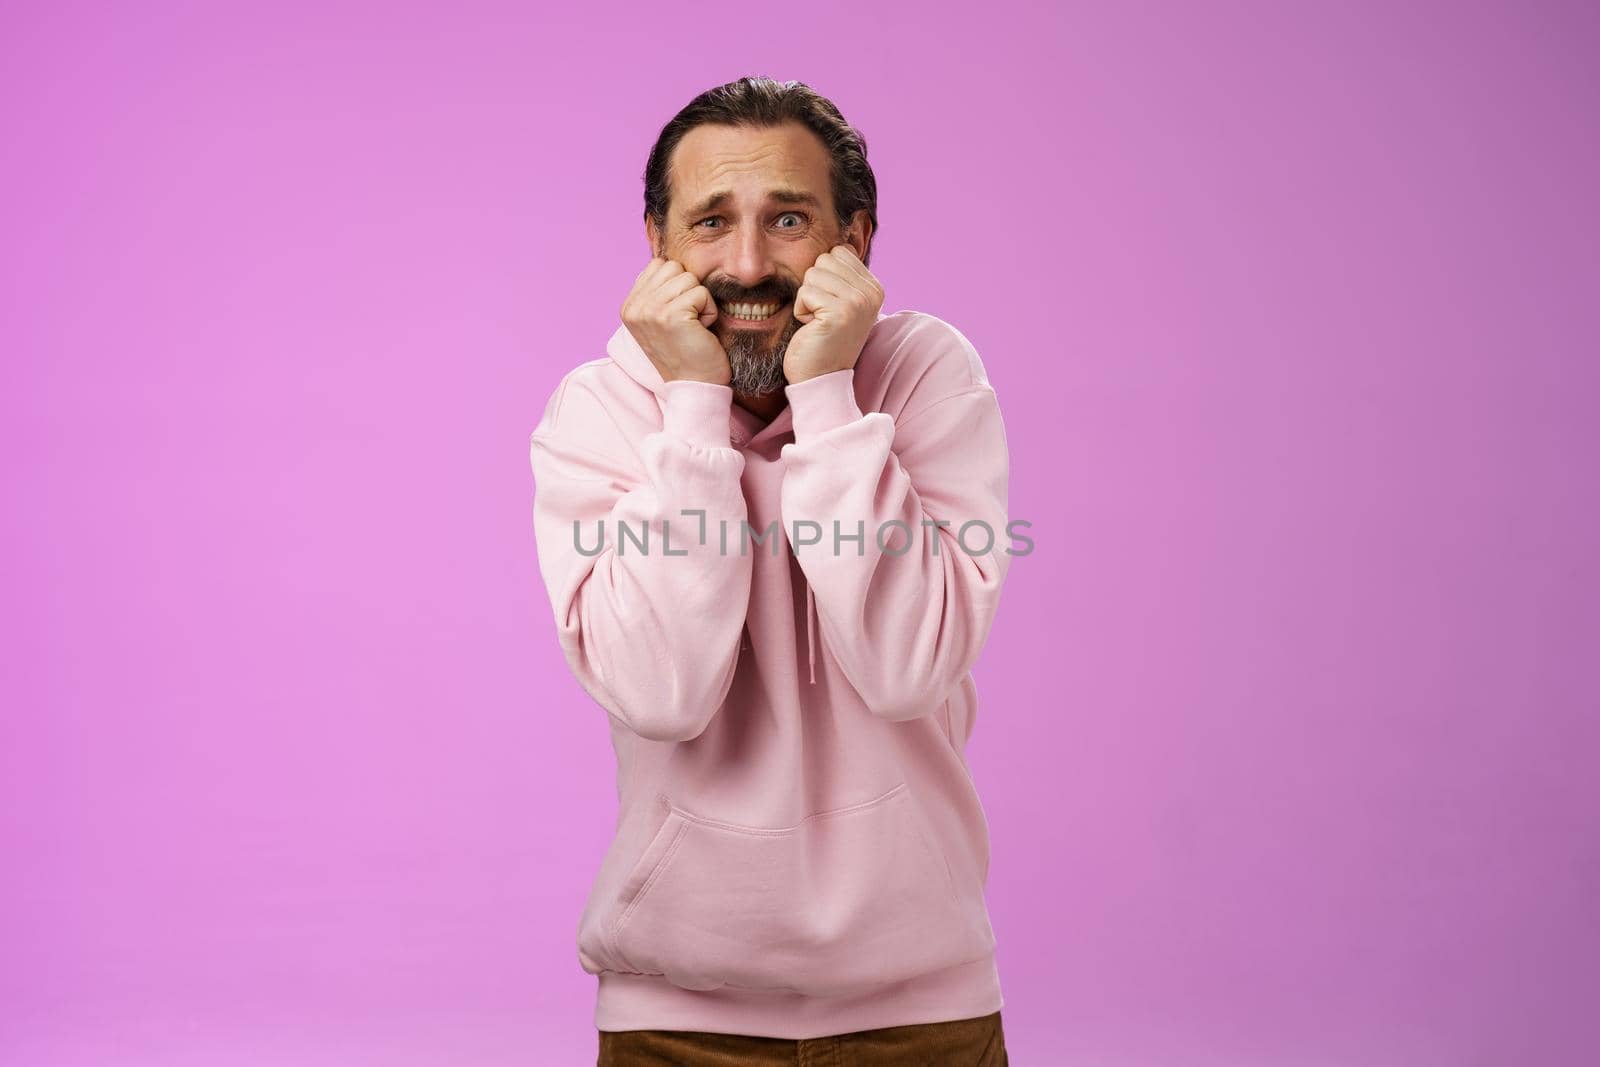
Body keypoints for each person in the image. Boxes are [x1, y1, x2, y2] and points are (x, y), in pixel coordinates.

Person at [528, 76, 1013, 1065]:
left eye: (787, 218)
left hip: (920, 1005)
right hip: (674, 1013)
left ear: (857, 240)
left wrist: (828, 390)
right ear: (658, 245)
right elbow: (659, 691)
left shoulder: (926, 373)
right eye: (711, 222)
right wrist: (695, 405)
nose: (748, 263)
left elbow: (906, 667)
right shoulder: (597, 410)